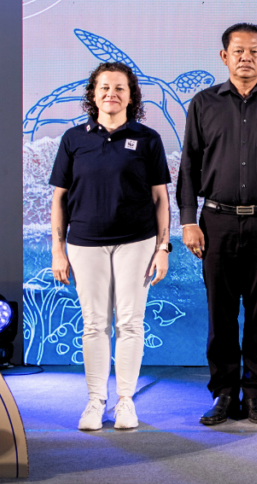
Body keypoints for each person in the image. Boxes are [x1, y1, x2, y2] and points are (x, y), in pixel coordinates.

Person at [177, 23, 257, 425]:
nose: (246, 58)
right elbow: (189, 165)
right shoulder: (204, 103)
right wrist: (188, 220)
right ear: (224, 57)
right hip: (216, 222)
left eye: (254, 52)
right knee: (221, 315)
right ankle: (224, 394)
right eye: (238, 51)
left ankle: (256, 396)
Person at [50, 62, 172, 431]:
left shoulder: (148, 139)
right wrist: (58, 250)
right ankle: (95, 401)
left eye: (120, 88)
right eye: (104, 87)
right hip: (84, 243)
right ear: (93, 94)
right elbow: (59, 199)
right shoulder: (73, 139)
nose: (111, 94)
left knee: (130, 323)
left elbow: (160, 198)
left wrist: (162, 247)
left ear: (131, 96)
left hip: (137, 242)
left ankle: (125, 402)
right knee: (94, 325)